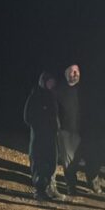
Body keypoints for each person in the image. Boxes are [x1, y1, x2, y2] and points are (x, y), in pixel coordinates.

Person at [55, 64, 102, 195]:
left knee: (91, 157)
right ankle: (71, 185)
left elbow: (94, 107)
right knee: (69, 162)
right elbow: (55, 110)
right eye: (72, 71)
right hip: (67, 132)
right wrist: (58, 127)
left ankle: (93, 181)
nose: (75, 74)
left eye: (77, 71)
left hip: (85, 130)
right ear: (66, 74)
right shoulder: (59, 91)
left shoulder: (85, 90)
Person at [23, 72, 62, 201]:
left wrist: (56, 125)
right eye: (49, 81)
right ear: (43, 81)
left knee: (51, 161)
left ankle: (48, 188)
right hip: (39, 137)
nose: (52, 84)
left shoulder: (52, 96)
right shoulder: (36, 95)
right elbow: (27, 116)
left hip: (51, 136)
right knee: (39, 162)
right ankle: (39, 191)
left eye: (53, 81)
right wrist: (41, 125)